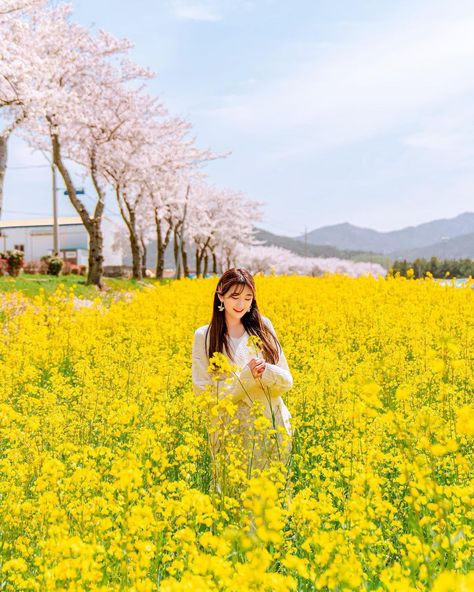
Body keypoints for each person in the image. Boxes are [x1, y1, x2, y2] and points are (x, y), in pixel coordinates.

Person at [192, 267, 293, 495]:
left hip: (272, 427)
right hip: (231, 435)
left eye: (248, 298)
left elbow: (287, 381)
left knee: (271, 505)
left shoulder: (263, 327)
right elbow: (203, 393)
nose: (241, 304)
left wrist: (266, 371)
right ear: (220, 296)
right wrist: (245, 379)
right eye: (234, 297)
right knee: (235, 502)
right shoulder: (205, 336)